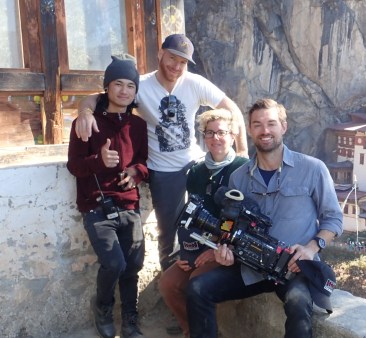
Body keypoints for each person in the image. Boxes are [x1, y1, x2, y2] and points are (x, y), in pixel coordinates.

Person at [168, 98, 343, 338]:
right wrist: (225, 251)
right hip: (249, 267)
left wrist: (311, 247)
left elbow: (333, 219)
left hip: (292, 267)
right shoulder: (238, 180)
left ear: (283, 127)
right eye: (258, 125)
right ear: (249, 130)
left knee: (300, 303)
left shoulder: (312, 169)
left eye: (271, 123)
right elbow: (230, 229)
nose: (265, 131)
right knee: (197, 289)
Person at [75, 33, 248, 271]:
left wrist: (244, 153)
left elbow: (232, 109)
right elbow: (98, 98)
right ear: (160, 54)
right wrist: (84, 113)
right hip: (163, 171)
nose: (177, 66)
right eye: (172, 58)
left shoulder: (195, 83)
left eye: (183, 62)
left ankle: (209, 274)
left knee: (213, 221)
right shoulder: (141, 86)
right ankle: (170, 279)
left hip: (196, 164)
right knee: (169, 233)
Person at [67, 55, 149, 338]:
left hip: (129, 204)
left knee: (134, 265)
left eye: (130, 85)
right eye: (118, 84)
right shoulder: (85, 122)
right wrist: (97, 161)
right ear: (106, 87)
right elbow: (74, 166)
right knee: (114, 262)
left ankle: (129, 320)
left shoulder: (138, 126)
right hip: (96, 206)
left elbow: (143, 162)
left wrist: (135, 173)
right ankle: (102, 306)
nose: (125, 91)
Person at [158, 108, 248, 338]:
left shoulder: (242, 170)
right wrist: (185, 254)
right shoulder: (196, 172)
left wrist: (218, 249)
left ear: (232, 136)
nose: (215, 138)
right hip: (198, 246)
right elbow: (190, 215)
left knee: (198, 283)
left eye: (221, 132)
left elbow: (244, 220)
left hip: (228, 249)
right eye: (209, 133)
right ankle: (192, 335)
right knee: (169, 283)